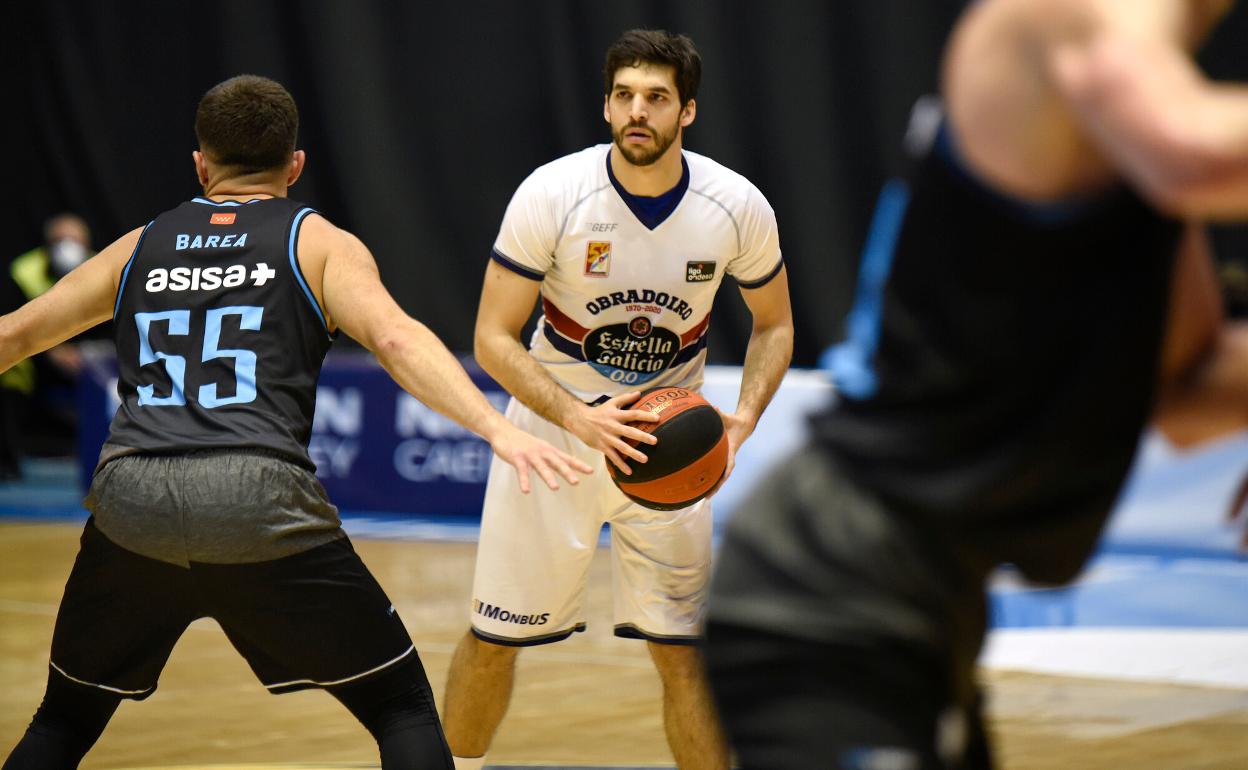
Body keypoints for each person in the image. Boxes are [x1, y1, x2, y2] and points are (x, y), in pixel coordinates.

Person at [704, 0, 1248, 768]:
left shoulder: (1130, 133)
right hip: (826, 584)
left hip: (924, 608)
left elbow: (1184, 390)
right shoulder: (1072, 18)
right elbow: (1198, 154)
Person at [0, 74, 591, 770]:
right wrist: (498, 428)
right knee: (399, 704)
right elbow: (396, 340)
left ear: (199, 163)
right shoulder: (316, 243)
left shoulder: (140, 245)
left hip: (131, 496)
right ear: (295, 164)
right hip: (256, 497)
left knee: (64, 720)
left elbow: (11, 337)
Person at [440, 29, 794, 770]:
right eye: (625, 96)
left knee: (687, 655)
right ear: (605, 105)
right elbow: (492, 338)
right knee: (494, 638)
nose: (639, 112)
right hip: (554, 438)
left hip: (672, 441)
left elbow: (776, 324)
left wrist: (745, 418)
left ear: (686, 112)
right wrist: (577, 416)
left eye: (657, 99)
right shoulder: (553, 192)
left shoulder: (736, 205)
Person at [0, 213, 95, 478]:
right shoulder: (24, 271)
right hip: (34, 356)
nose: (68, 246)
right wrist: (52, 351)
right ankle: (8, 462)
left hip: (87, 360)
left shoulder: (100, 268)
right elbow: (12, 321)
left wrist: (88, 354)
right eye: (61, 239)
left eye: (75, 240)